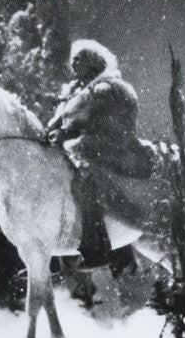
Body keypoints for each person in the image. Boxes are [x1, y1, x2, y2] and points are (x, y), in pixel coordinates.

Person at [47, 40, 152, 267]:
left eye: (80, 58)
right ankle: (51, 257)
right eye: (73, 58)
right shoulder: (75, 90)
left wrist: (68, 137)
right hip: (82, 146)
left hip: (110, 150)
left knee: (86, 183)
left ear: (93, 62)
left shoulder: (108, 89)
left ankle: (98, 251)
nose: (73, 62)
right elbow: (62, 122)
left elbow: (108, 127)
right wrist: (53, 134)